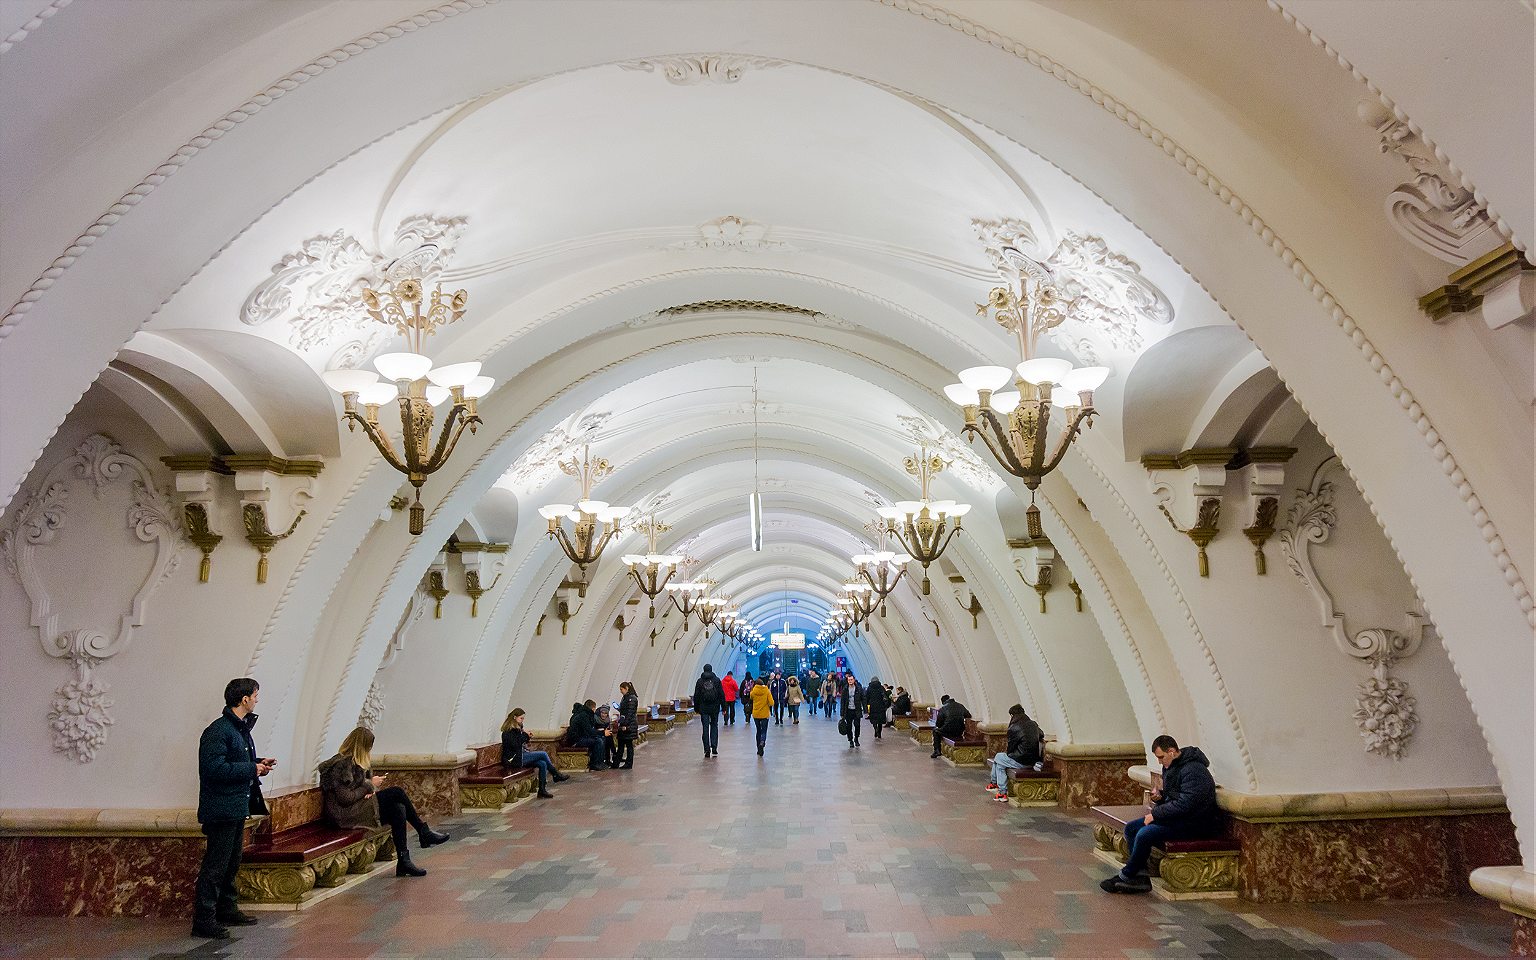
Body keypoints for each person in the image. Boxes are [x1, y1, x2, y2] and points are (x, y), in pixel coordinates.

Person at [192, 678, 272, 939]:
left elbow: (235, 761)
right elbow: (213, 769)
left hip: (236, 806)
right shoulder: (218, 731)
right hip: (221, 808)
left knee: (232, 861)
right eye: (255, 695)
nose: (257, 699)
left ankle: (227, 908)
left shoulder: (239, 730)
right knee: (216, 864)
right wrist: (252, 768)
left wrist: (259, 762)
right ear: (244, 699)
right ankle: (204, 919)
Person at [319, 727, 450, 879]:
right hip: (345, 815)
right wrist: (369, 785)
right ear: (361, 747)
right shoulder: (341, 765)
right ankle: (423, 831)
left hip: (356, 809)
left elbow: (355, 792)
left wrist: (369, 791)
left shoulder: (355, 764)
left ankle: (404, 861)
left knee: (398, 809)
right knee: (396, 792)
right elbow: (345, 798)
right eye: (368, 748)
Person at [1101, 736, 1220, 894]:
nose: (1159, 762)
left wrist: (1156, 814)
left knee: (1145, 833)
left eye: (1161, 757)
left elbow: (1186, 804)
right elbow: (1176, 796)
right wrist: (1161, 797)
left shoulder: (1194, 771)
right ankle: (1140, 877)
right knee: (1131, 828)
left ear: (1171, 751)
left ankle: (1126, 875)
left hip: (1194, 823)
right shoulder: (1172, 766)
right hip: (1177, 819)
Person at [501, 708, 567, 798]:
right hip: (514, 759)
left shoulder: (517, 730)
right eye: (521, 718)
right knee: (543, 754)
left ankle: (542, 790)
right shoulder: (508, 731)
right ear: (514, 717)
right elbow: (515, 745)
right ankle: (555, 774)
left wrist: (526, 736)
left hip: (521, 755)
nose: (522, 721)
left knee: (542, 763)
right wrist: (525, 735)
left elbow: (521, 742)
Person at [987, 704, 1043, 801]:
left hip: (1021, 761)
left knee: (998, 758)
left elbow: (1010, 749)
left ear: (1012, 715)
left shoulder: (1014, 727)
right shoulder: (1033, 724)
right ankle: (999, 789)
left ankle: (998, 788)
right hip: (1033, 761)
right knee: (1000, 764)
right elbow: (1041, 734)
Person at [694, 663, 724, 758]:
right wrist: (724, 707)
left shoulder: (700, 681)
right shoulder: (716, 680)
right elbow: (721, 694)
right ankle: (714, 747)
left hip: (704, 708)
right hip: (715, 708)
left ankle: (706, 749)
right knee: (714, 726)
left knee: (705, 728)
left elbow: (696, 696)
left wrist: (696, 708)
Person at [568, 699, 608, 770]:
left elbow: (589, 730)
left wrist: (599, 732)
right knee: (598, 741)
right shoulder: (583, 716)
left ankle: (601, 761)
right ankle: (595, 763)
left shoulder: (584, 714)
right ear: (593, 708)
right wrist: (602, 732)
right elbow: (589, 731)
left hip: (581, 737)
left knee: (601, 738)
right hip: (576, 740)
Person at [931, 694, 971, 758]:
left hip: (948, 731)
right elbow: (968, 715)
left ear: (943, 702)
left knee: (935, 731)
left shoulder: (943, 708)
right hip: (959, 731)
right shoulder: (960, 706)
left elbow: (938, 724)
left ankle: (937, 751)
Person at [614, 682, 639, 769]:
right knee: (621, 744)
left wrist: (625, 724)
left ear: (626, 688)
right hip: (625, 723)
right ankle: (616, 763)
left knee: (628, 745)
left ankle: (628, 763)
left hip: (629, 725)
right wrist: (618, 708)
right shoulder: (626, 697)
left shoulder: (631, 698)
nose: (620, 691)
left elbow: (629, 713)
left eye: (621, 689)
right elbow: (625, 710)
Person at [749, 674, 775, 757]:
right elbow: (771, 703)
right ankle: (762, 742)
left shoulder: (753, 692)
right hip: (764, 714)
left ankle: (758, 749)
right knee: (764, 731)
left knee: (758, 731)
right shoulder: (766, 691)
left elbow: (751, 698)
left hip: (756, 714)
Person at [841, 674, 866, 748]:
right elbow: (843, 701)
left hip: (856, 710)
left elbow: (863, 699)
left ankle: (856, 738)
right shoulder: (845, 689)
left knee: (857, 725)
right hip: (848, 711)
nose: (850, 681)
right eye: (849, 680)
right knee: (849, 727)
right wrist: (842, 713)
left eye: (851, 679)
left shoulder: (858, 689)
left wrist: (865, 710)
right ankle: (850, 740)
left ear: (854, 680)